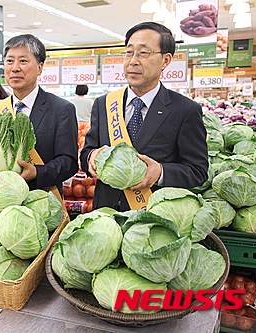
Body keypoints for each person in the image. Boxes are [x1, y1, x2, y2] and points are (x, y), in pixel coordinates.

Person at [80, 22, 208, 211]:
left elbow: (197, 171)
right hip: (106, 216)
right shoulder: (104, 104)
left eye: (143, 53)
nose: (133, 61)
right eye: (129, 52)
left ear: (166, 60)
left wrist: (161, 172)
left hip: (153, 219)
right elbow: (86, 152)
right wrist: (91, 157)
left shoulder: (185, 110)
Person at [0, 34, 79, 193]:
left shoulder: (61, 109)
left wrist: (37, 173)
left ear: (40, 67)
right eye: (9, 61)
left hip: (43, 200)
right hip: (3, 200)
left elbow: (69, 162)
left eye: (23, 61)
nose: (15, 68)